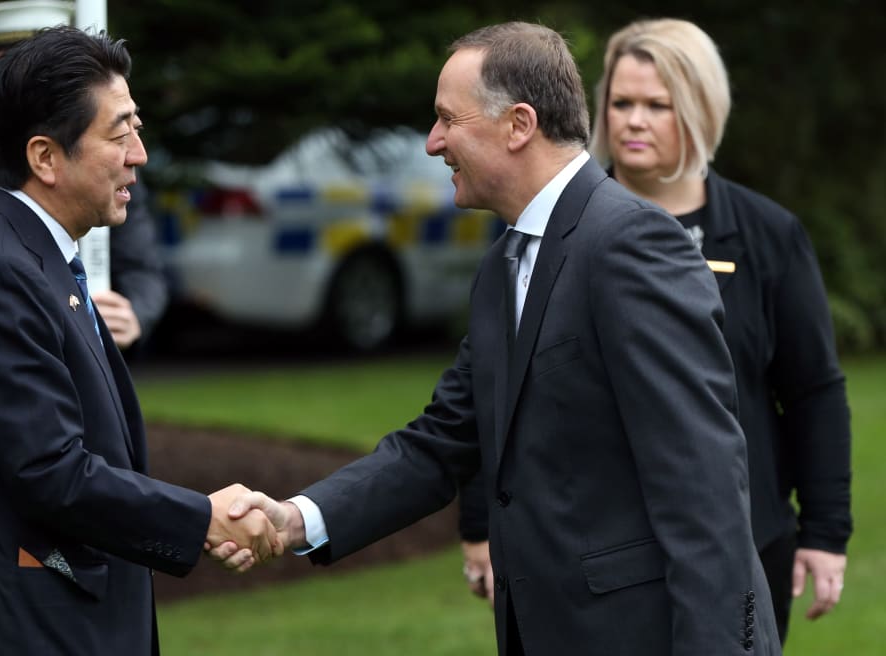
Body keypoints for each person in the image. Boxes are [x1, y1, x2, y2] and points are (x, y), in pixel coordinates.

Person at [213, 21, 781, 656]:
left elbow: (701, 480)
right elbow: (439, 444)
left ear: (518, 125)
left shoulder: (630, 244)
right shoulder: (503, 266)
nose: (432, 143)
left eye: (446, 120)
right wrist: (296, 520)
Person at [458, 18, 853, 646]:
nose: (634, 121)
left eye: (656, 105)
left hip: (741, 536)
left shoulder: (767, 235)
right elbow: (498, 396)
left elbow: (812, 390)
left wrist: (826, 532)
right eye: (621, 103)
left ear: (700, 111)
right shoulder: (544, 233)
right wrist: (479, 523)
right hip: (592, 561)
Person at [0, 26, 281, 655]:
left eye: (137, 128)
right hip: (27, 632)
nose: (139, 154)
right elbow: (52, 472)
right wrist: (201, 517)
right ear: (46, 157)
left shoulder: (33, 258)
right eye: (118, 132)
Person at [0, 0, 167, 352]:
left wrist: (133, 313)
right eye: (13, 68)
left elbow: (141, 263)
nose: (137, 155)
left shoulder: (110, 163)